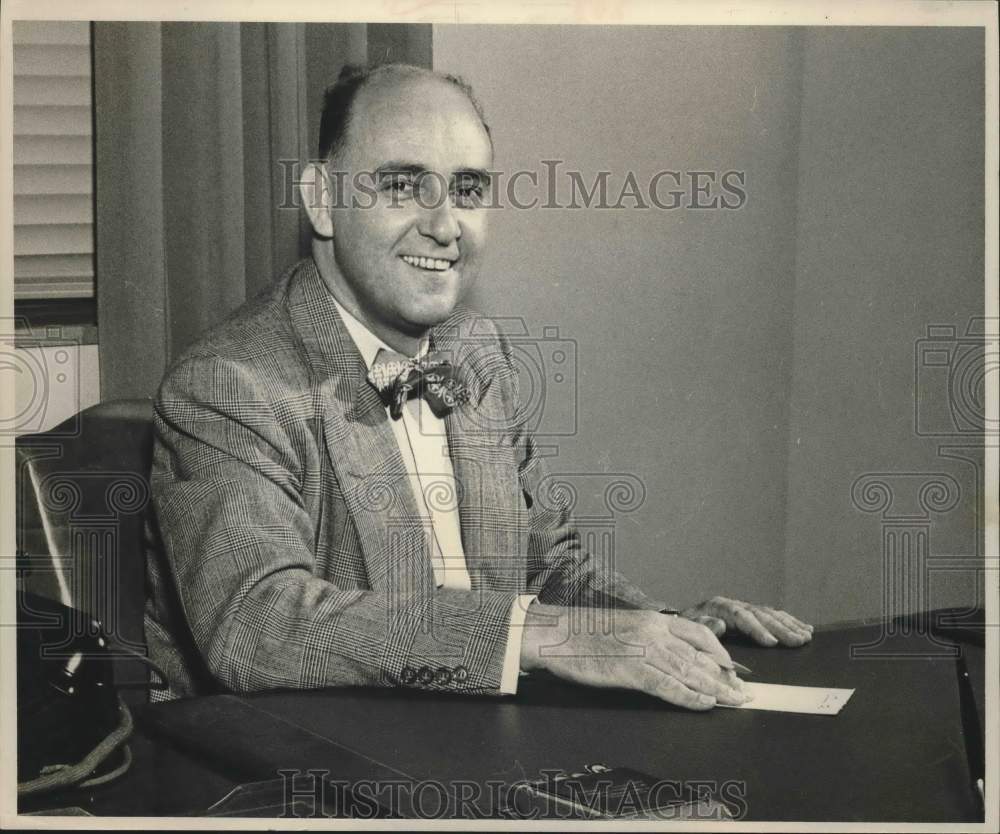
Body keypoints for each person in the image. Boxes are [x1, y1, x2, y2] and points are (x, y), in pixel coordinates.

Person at [145, 62, 812, 708]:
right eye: (403, 185)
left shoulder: (476, 350)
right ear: (323, 200)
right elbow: (257, 626)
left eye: (465, 190)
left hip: (475, 748)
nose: (444, 226)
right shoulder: (228, 385)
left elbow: (546, 563)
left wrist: (667, 629)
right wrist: (539, 636)